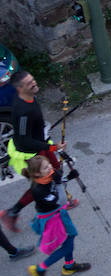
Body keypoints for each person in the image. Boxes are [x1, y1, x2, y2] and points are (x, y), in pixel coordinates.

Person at [2, 69, 65, 231]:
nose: (34, 83)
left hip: (41, 144)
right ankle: (12, 212)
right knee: (42, 183)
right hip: (32, 152)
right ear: (19, 89)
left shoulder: (30, 97)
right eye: (29, 83)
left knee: (56, 171)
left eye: (33, 80)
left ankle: (61, 201)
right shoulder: (23, 111)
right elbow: (24, 140)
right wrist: (51, 147)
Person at [25, 154, 90, 276]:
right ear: (37, 174)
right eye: (45, 167)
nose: (50, 168)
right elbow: (61, 199)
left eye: (48, 164)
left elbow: (55, 183)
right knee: (68, 242)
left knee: (69, 238)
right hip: (52, 220)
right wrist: (60, 181)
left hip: (58, 214)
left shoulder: (47, 178)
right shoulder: (38, 190)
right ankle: (40, 268)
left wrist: (68, 178)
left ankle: (69, 266)